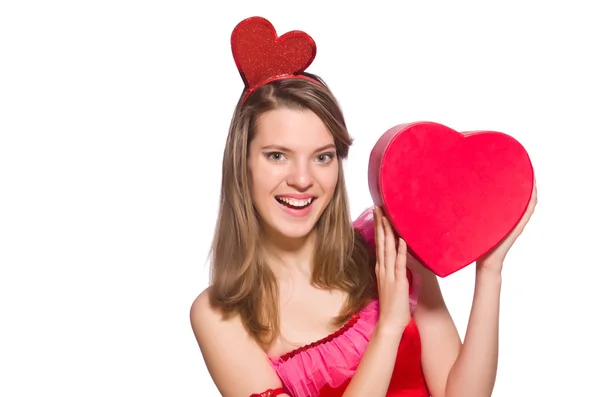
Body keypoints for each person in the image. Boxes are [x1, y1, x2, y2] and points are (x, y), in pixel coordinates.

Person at [190, 16, 537, 397]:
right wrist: (388, 327)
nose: (303, 179)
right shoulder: (219, 315)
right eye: (277, 155)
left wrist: (490, 270)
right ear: (243, 163)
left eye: (322, 157)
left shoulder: (388, 246)